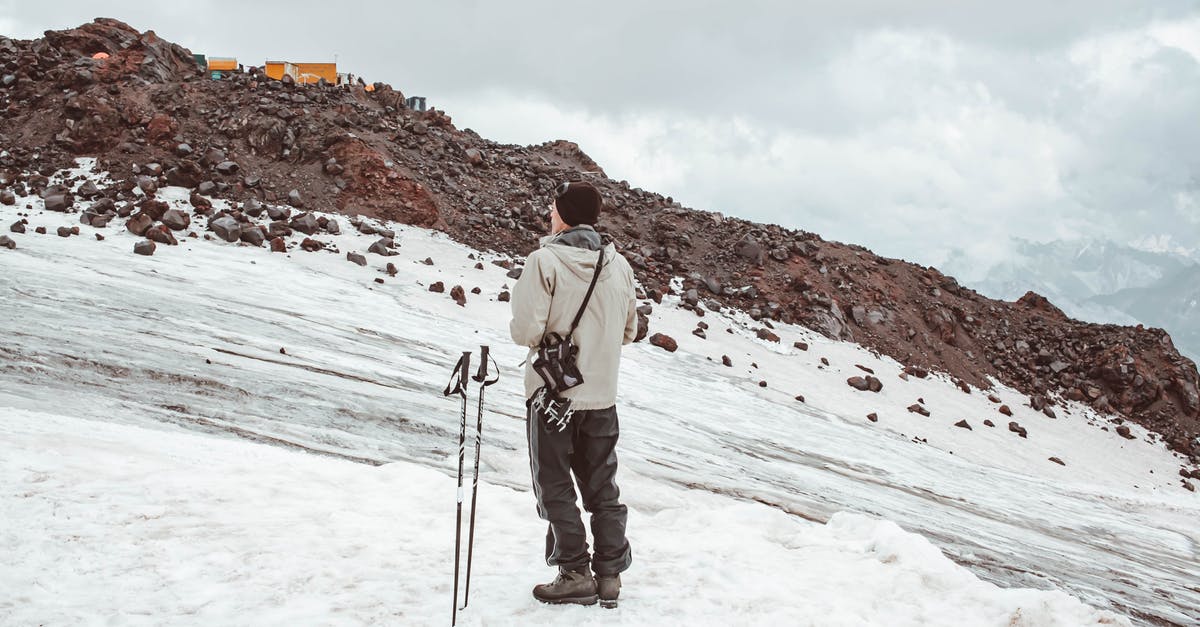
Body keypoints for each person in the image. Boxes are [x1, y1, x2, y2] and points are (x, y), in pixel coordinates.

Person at [509, 181, 638, 608]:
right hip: (602, 396)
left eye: (553, 207)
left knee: (554, 483)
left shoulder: (544, 261)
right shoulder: (617, 264)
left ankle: (574, 572)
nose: (549, 213)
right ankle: (610, 574)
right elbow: (629, 331)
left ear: (564, 213)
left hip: (554, 397)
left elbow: (526, 331)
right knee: (603, 485)